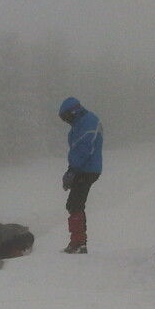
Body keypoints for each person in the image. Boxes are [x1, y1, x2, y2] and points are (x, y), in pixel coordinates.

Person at [58, 97, 103, 254]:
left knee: (75, 203)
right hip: (83, 168)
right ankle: (77, 241)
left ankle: (78, 243)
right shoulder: (80, 123)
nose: (66, 122)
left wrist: (73, 169)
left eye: (66, 117)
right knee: (74, 204)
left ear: (73, 112)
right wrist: (71, 169)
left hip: (87, 168)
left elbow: (85, 147)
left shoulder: (87, 121)